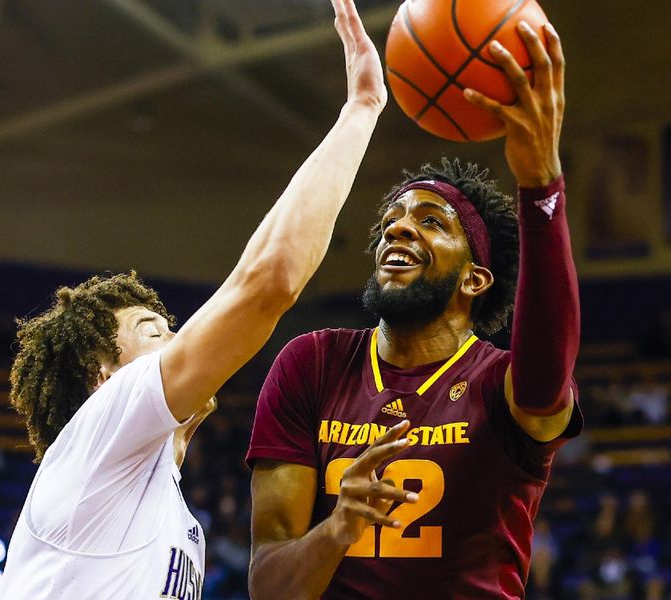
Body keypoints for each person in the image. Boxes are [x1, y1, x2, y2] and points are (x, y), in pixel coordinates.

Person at [0, 1, 388, 598]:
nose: (179, 340)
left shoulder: (156, 500)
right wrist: (360, 109)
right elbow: (269, 280)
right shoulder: (101, 429)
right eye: (154, 331)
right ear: (102, 377)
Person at [247, 9, 582, 600]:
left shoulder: (500, 382)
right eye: (390, 221)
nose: (398, 230)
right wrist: (336, 531)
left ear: (476, 279)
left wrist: (541, 186)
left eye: (431, 222)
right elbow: (270, 587)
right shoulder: (312, 365)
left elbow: (547, 376)